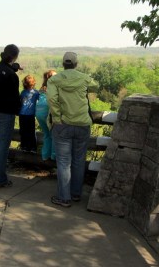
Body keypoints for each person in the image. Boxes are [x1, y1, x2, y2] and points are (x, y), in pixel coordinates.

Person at [47, 52, 97, 207]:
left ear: (63, 64)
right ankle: (76, 194)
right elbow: (95, 86)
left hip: (63, 125)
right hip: (82, 124)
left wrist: (57, 117)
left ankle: (64, 197)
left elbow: (52, 99)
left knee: (63, 162)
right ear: (76, 64)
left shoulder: (54, 80)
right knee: (78, 161)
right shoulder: (84, 78)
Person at [0, 44, 21, 188]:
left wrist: (13, 67)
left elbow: (3, 72)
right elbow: (14, 97)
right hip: (7, 112)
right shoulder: (12, 76)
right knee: (3, 146)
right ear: (14, 56)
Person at [35, 70, 57, 160]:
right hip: (47, 113)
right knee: (54, 135)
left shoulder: (42, 88)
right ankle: (53, 156)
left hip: (39, 113)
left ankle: (45, 155)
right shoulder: (53, 88)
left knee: (47, 135)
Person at [19, 75, 40, 153]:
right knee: (31, 131)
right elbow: (41, 100)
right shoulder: (36, 93)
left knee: (23, 131)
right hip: (30, 115)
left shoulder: (23, 92)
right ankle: (33, 148)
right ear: (33, 83)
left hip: (22, 114)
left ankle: (24, 146)